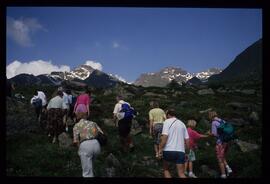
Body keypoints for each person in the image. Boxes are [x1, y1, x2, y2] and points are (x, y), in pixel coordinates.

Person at [158, 109, 190, 178]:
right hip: (180, 151)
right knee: (181, 174)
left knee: (166, 170)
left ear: (168, 115)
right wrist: (187, 152)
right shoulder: (182, 124)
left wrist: (160, 149)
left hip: (168, 150)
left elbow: (164, 137)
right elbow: (187, 140)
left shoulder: (167, 122)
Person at [73, 113, 103, 177]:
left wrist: (79, 150)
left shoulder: (76, 125)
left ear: (78, 117)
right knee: (91, 166)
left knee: (87, 173)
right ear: (86, 116)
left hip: (85, 145)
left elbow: (76, 141)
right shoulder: (93, 123)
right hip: (96, 144)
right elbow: (101, 134)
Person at [208, 111, 233, 178]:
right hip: (226, 142)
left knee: (220, 159)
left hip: (220, 143)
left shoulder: (214, 122)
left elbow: (214, 134)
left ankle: (223, 174)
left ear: (210, 116)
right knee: (223, 156)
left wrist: (209, 133)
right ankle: (228, 168)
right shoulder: (223, 121)